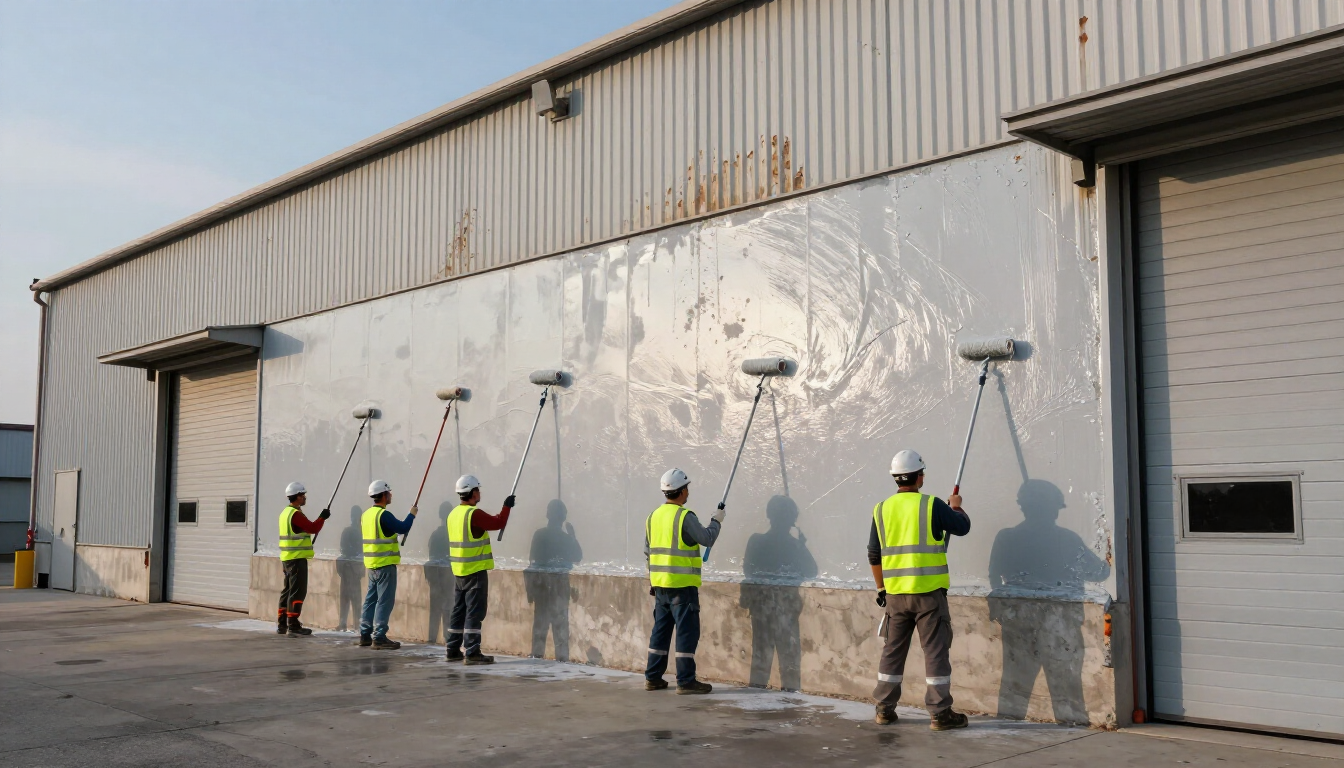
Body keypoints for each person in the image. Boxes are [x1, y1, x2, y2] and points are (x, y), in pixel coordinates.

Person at [868, 449, 971, 730]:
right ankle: (940, 714)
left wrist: (881, 589)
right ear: (920, 476)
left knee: (893, 651)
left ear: (895, 478)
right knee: (935, 652)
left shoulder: (881, 509)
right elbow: (962, 527)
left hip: (895, 596)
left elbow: (874, 554)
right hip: (928, 596)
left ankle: (884, 709)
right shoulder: (932, 506)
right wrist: (956, 506)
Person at [644, 468, 722, 695]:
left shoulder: (653, 517)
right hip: (682, 588)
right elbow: (707, 538)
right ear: (682, 491)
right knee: (686, 634)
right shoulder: (685, 517)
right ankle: (686, 682)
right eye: (687, 488)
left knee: (660, 631)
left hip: (660, 587)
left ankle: (653, 678)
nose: (688, 493)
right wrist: (716, 521)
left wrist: (654, 581)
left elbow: (648, 552)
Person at [443, 475, 514, 665]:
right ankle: (472, 652)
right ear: (473, 492)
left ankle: (452, 649)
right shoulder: (473, 514)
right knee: (474, 611)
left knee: (459, 610)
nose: (480, 493)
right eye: (478, 490)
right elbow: (497, 523)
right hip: (474, 571)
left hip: (459, 570)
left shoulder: (453, 514)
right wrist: (507, 507)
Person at [359, 480, 416, 649]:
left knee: (370, 600)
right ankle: (379, 637)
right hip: (385, 564)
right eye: (389, 492)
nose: (391, 495)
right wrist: (412, 514)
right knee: (385, 601)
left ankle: (365, 634)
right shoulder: (383, 515)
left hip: (372, 564)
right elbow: (403, 527)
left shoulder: (367, 515)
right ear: (383, 495)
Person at [277, 481, 330, 637]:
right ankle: (293, 624)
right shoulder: (295, 514)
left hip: (287, 558)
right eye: (303, 495)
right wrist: (322, 518)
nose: (305, 497)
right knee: (297, 591)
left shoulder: (285, 513)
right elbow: (312, 528)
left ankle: (282, 623)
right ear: (298, 497)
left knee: (287, 590)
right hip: (296, 559)